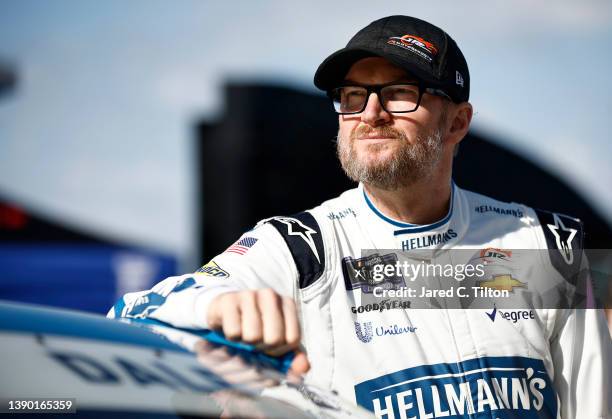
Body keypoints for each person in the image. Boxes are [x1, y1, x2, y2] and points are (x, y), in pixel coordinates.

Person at [109, 16, 610, 418]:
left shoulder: (546, 243)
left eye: (398, 92)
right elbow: (129, 318)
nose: (370, 113)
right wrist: (215, 309)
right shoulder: (299, 247)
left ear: (458, 122)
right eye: (352, 96)